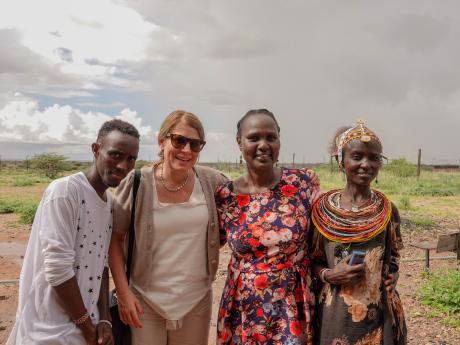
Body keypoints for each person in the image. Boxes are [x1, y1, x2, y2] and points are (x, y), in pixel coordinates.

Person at [7, 119, 140, 345]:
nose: (123, 166)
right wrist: (87, 327)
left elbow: (101, 264)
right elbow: (58, 268)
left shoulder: (107, 203)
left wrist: (105, 320)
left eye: (130, 159)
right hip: (48, 330)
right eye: (116, 155)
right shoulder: (66, 192)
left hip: (83, 328)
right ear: (96, 150)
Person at [109, 110, 228, 345]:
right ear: (162, 141)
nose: (186, 150)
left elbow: (249, 197)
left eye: (195, 145)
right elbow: (114, 239)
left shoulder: (211, 181)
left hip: (196, 300)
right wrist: (124, 293)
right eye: (179, 140)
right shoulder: (137, 183)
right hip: (144, 300)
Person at [215, 109, 321, 345]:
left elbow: (323, 240)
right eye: (254, 138)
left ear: (279, 141)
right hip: (243, 306)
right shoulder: (224, 196)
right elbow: (211, 242)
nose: (263, 145)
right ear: (239, 142)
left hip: (293, 302)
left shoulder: (303, 183)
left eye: (271, 137)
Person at [310, 121, 407, 345]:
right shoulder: (321, 211)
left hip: (377, 315)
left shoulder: (388, 211)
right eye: (357, 156)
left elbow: (393, 258)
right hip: (334, 316)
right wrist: (329, 275)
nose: (366, 164)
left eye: (374, 158)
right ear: (340, 161)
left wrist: (393, 274)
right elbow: (310, 261)